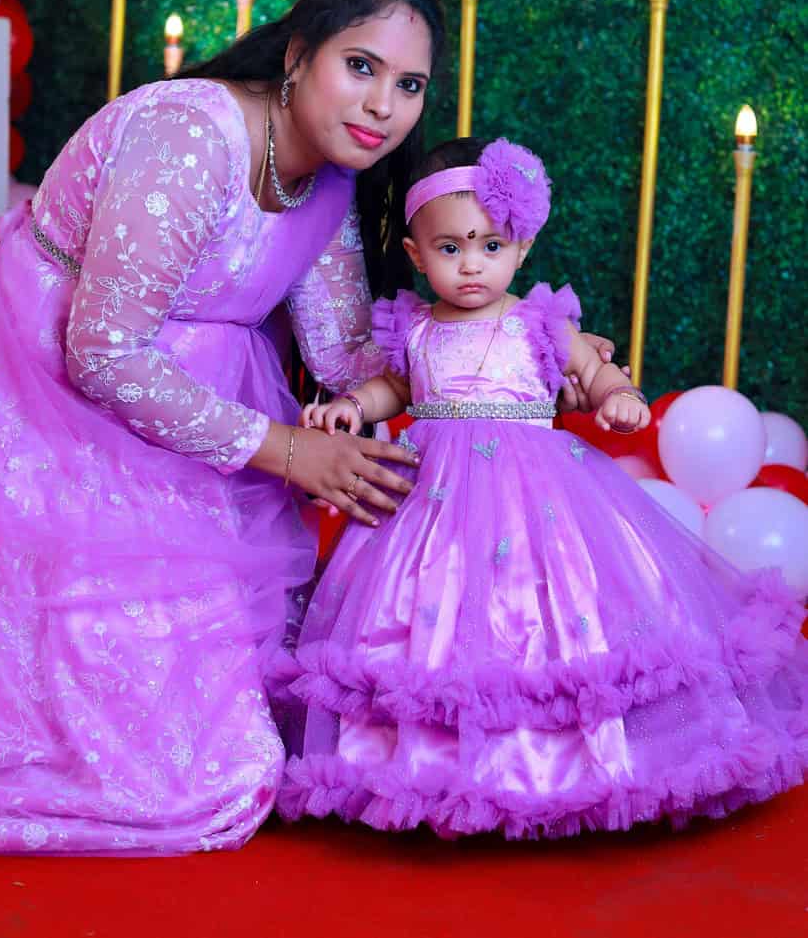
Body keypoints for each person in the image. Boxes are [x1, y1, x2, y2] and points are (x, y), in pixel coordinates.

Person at [0, 0, 618, 855]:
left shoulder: (328, 175)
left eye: (408, 85)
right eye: (360, 66)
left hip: (205, 420)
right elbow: (100, 350)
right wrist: (286, 451)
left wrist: (497, 359)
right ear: (297, 54)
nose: (382, 106)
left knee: (267, 724)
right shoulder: (189, 137)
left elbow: (345, 352)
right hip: (50, 401)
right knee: (203, 773)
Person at [277, 136, 808, 840]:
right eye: (449, 249)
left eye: (490, 247)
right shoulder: (414, 327)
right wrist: (353, 404)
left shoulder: (540, 322)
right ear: (414, 253)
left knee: (554, 608)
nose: (471, 265)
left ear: (521, 248)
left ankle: (571, 760)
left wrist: (617, 396)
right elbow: (391, 386)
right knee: (419, 616)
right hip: (428, 499)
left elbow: (594, 374)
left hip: (538, 494)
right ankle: (428, 762)